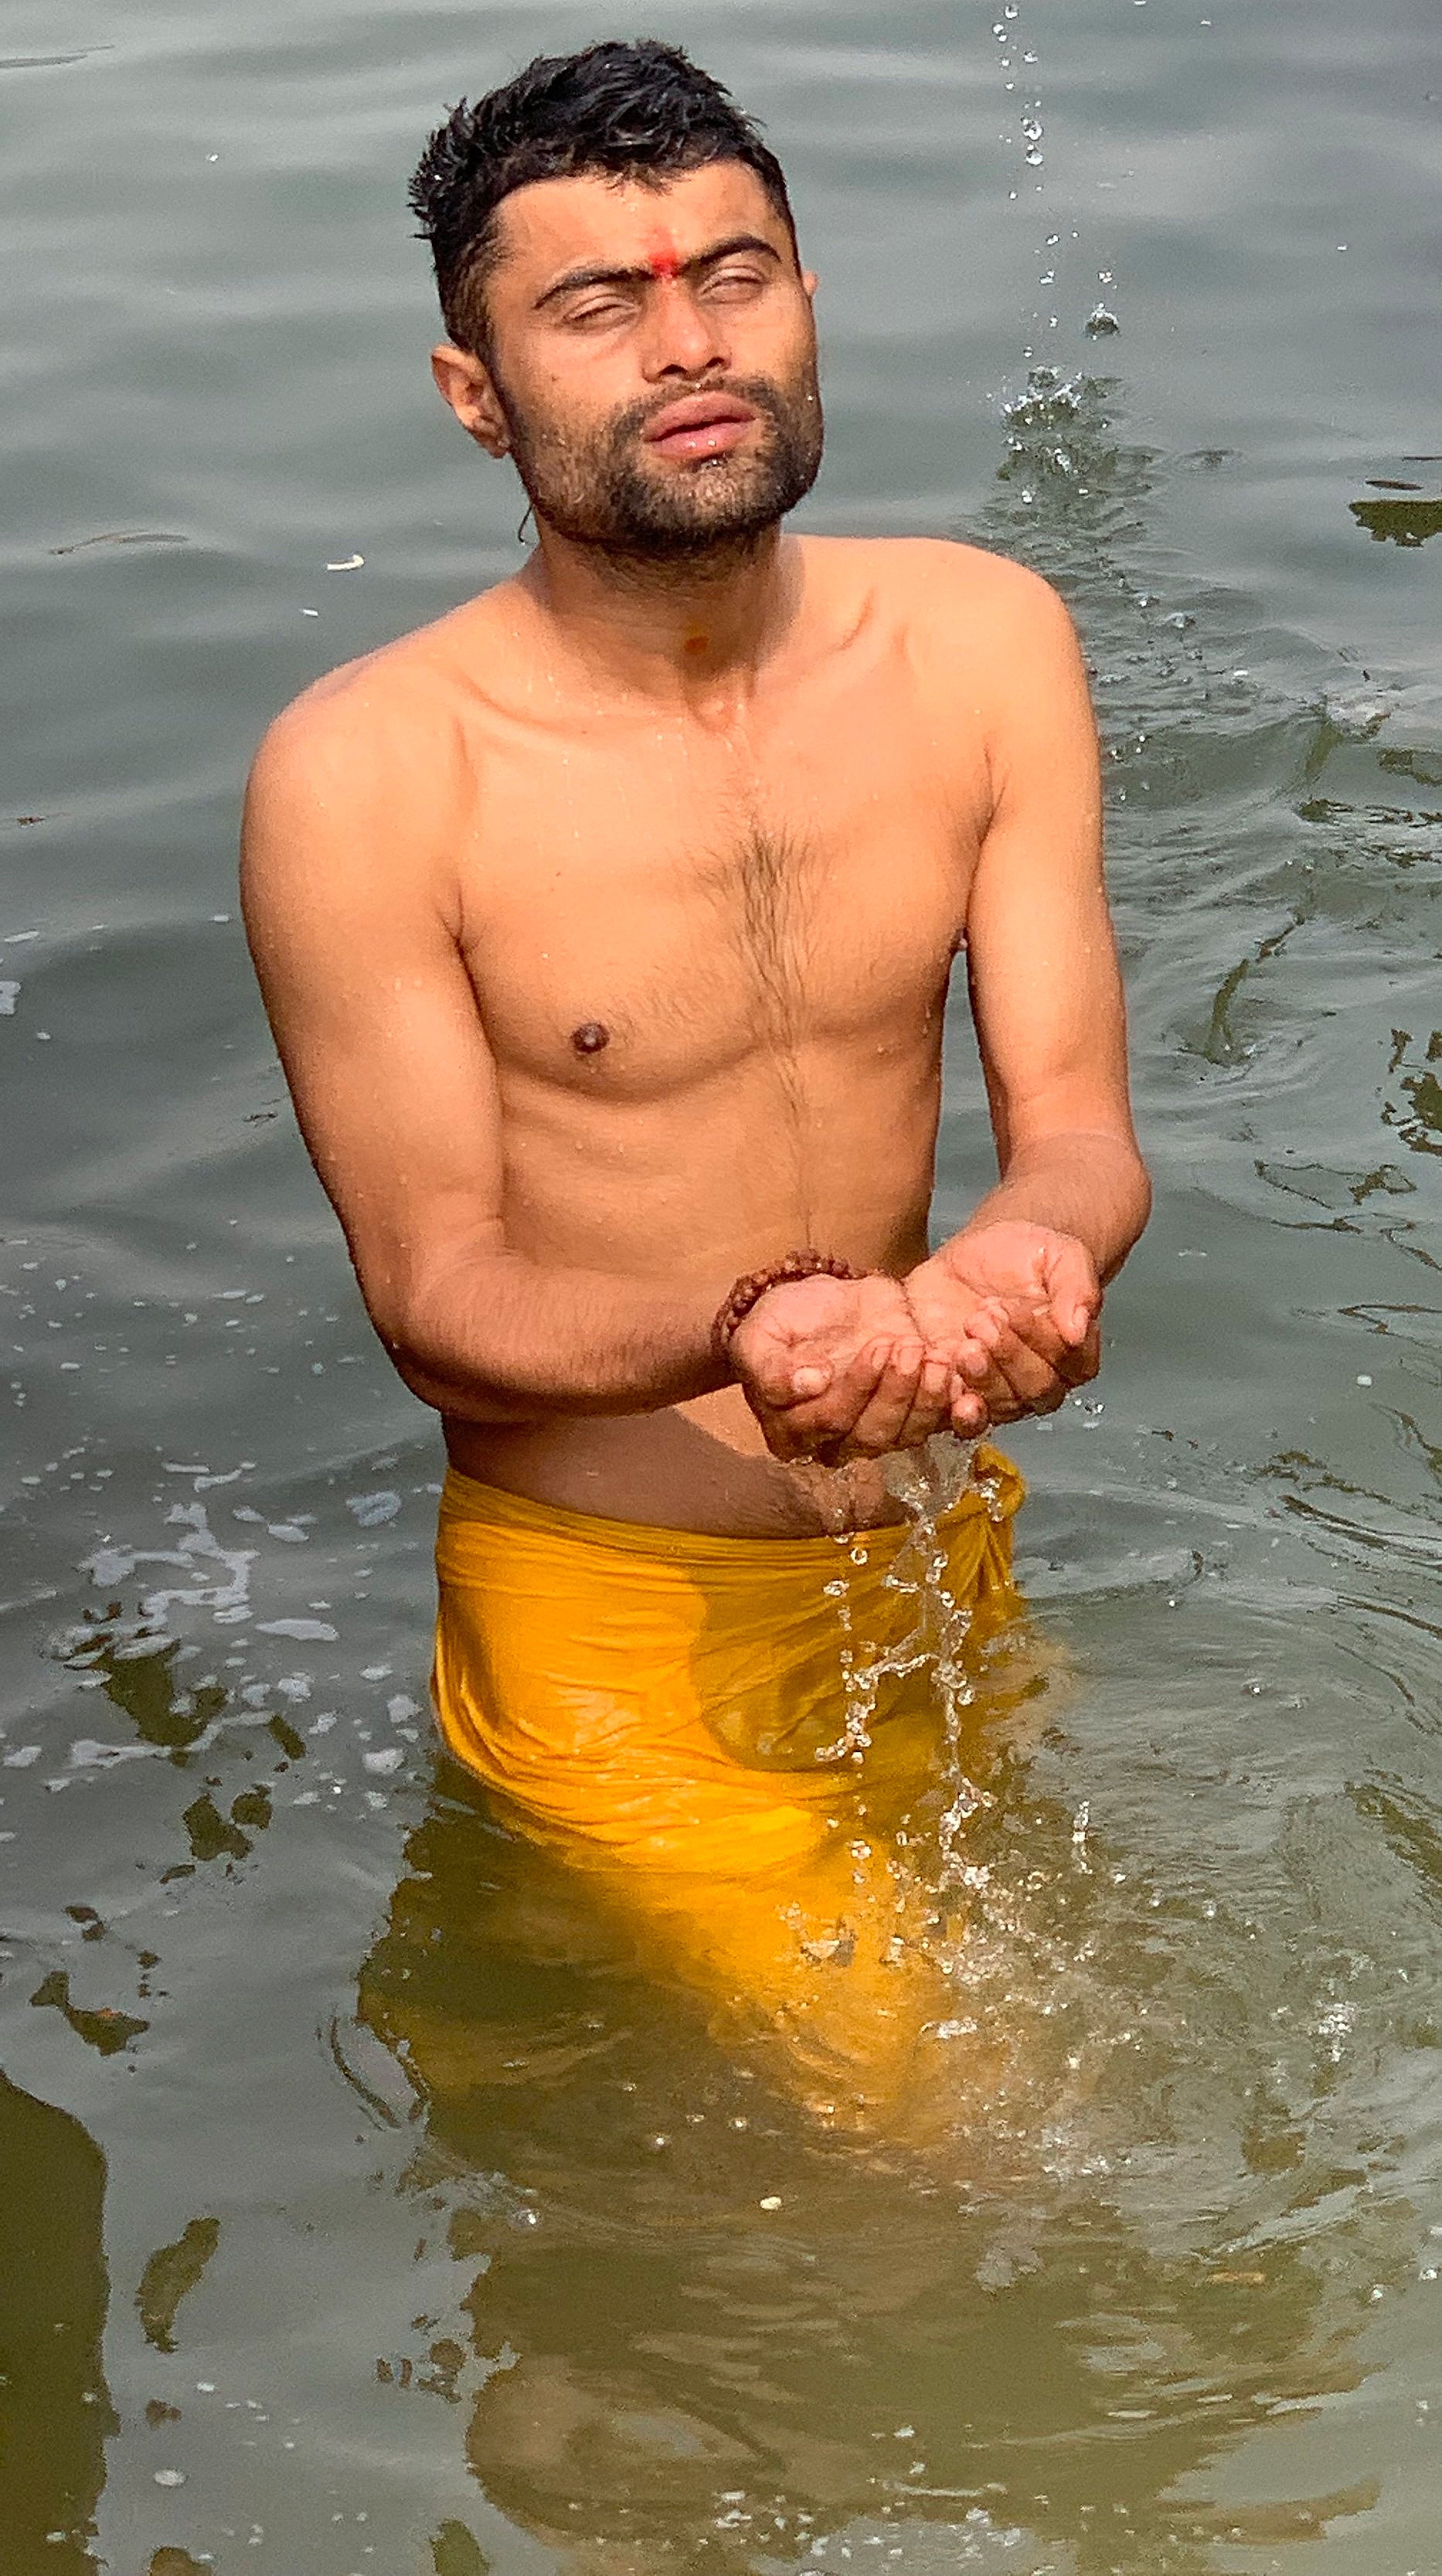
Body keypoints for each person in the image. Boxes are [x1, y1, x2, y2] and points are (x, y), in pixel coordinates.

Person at [241, 39, 1148, 2128]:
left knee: (1057, 2002)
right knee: (984, 2113)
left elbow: (1077, 1125)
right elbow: (435, 1300)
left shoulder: (983, 643)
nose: (687, 342)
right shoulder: (374, 774)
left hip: (934, 1540)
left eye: (734, 275)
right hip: (605, 1619)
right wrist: (739, 1328)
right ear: (477, 393)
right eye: (597, 304)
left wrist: (1027, 1260)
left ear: (809, 298)